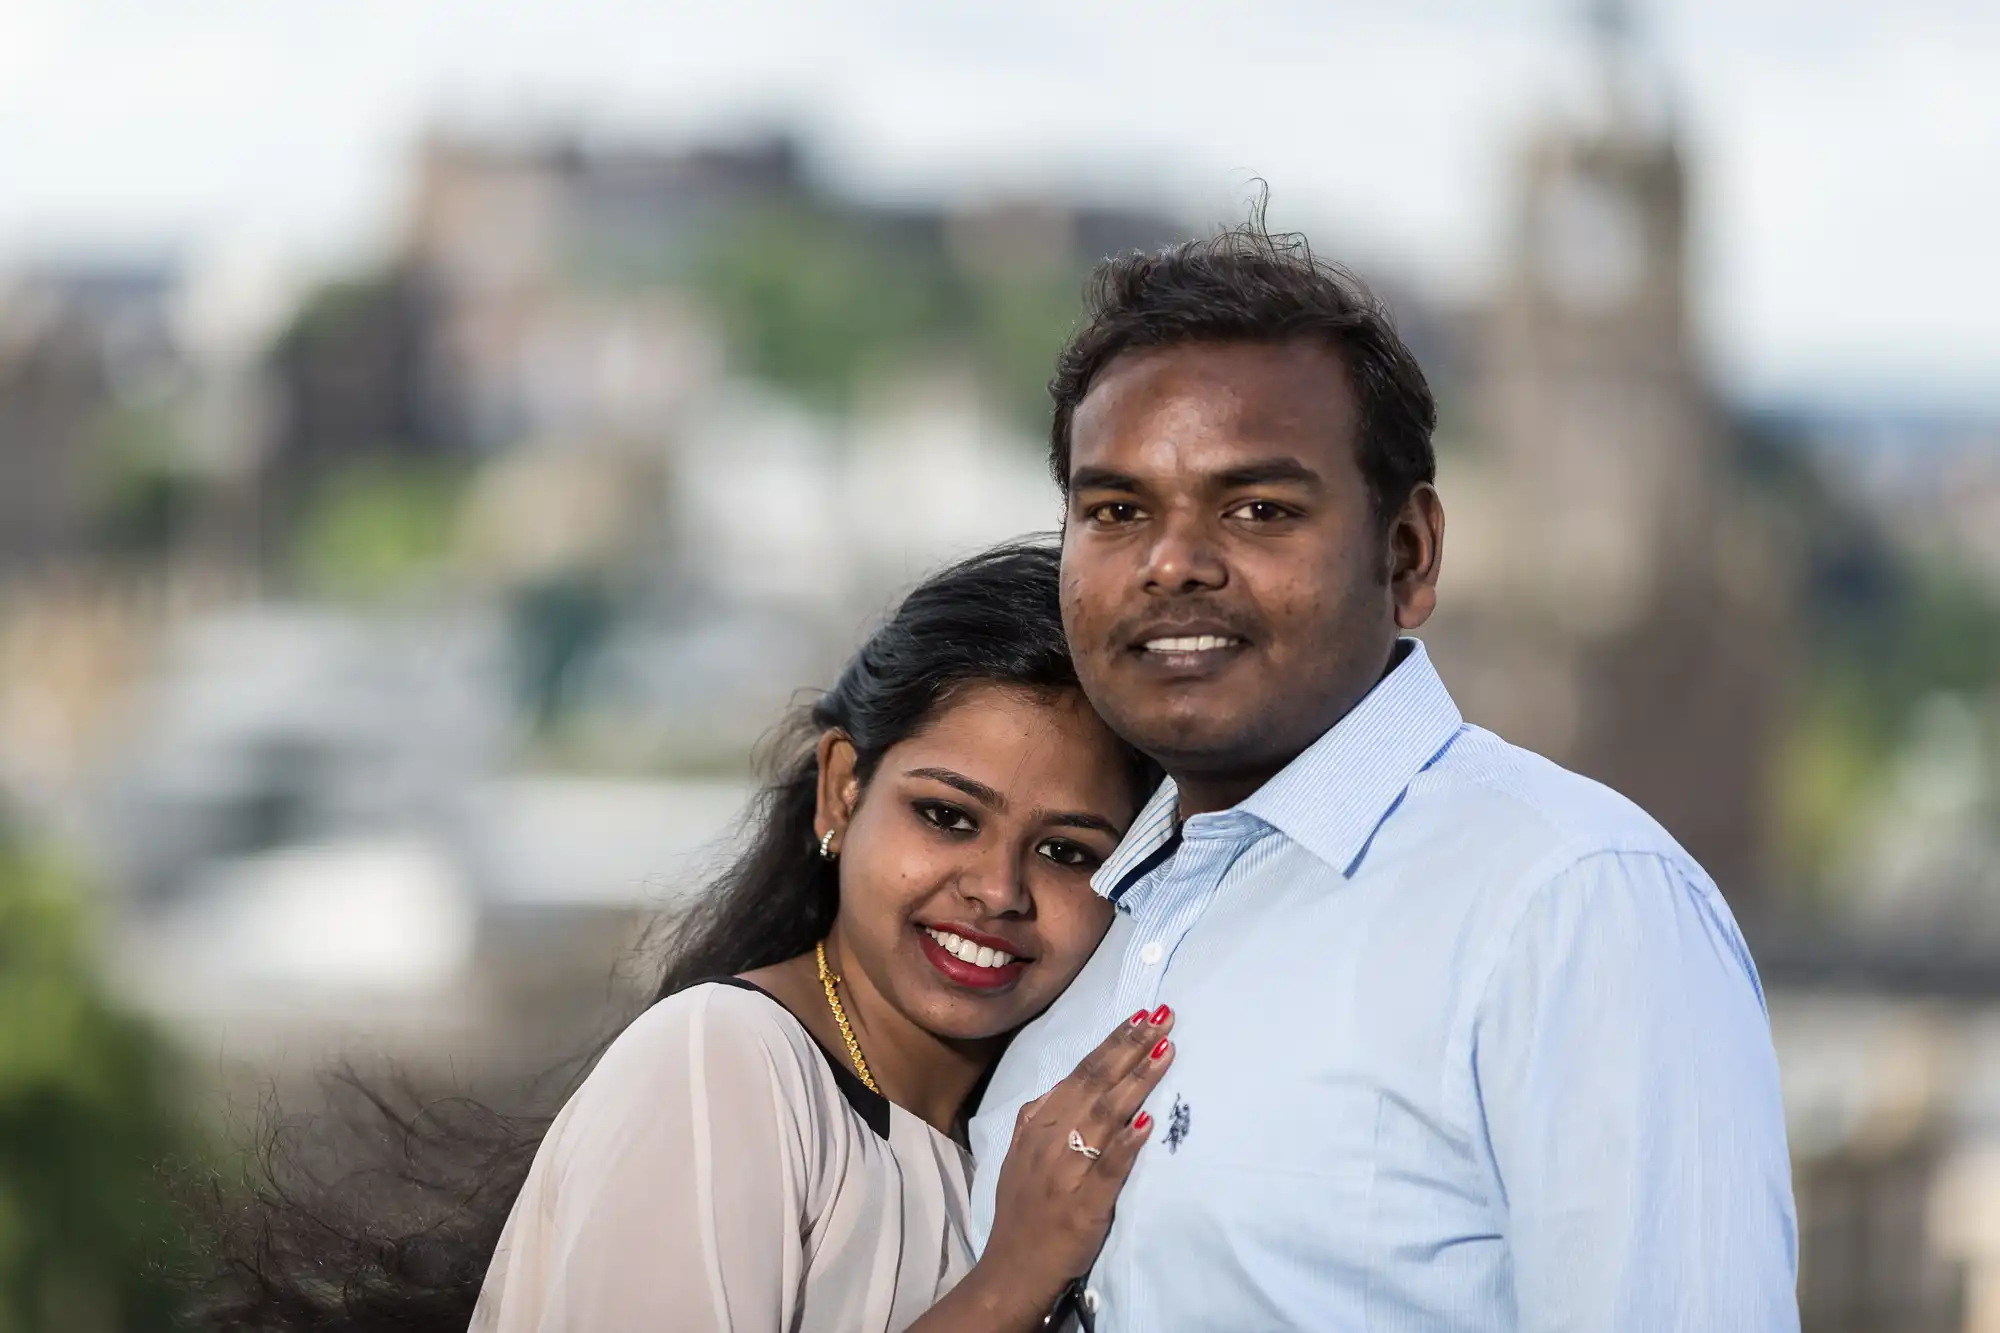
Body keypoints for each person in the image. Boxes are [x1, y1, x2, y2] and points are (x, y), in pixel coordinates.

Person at [968, 223, 1801, 1331]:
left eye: (1257, 508)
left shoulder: (1570, 907)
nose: (1170, 562)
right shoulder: (1062, 933)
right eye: (1115, 511)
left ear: (1406, 555)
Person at [204, 543, 1181, 1333]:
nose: (996, 889)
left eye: (1063, 849)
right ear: (843, 788)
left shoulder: (997, 1149)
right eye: (947, 817)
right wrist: (1009, 1283)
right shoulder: (725, 1067)